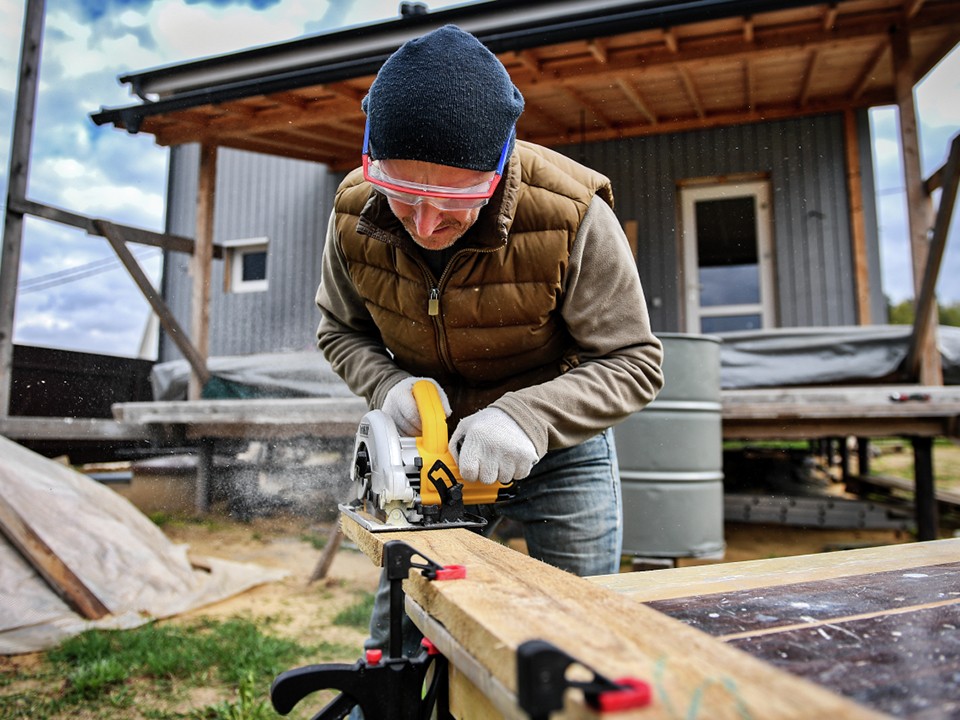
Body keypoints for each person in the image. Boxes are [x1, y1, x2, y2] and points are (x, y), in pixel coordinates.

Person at [316, 25, 663, 659]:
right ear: (371, 161)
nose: (425, 225)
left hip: (559, 450)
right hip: (432, 451)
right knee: (403, 638)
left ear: (497, 167)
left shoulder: (572, 213)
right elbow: (339, 330)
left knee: (581, 641)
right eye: (402, 195)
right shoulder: (352, 215)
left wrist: (526, 418)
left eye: (454, 199)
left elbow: (634, 361)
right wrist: (388, 387)